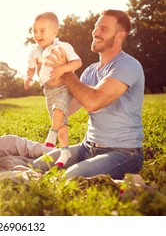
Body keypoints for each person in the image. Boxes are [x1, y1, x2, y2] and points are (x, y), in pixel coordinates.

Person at [32, 9, 145, 180]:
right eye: (96, 27)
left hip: (123, 153)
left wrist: (65, 72)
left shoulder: (127, 65)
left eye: (104, 29)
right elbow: (66, 110)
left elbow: (94, 102)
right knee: (38, 166)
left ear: (120, 35)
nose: (95, 32)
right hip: (87, 147)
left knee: (71, 177)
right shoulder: (90, 71)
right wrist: (49, 81)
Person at [25, 12, 82, 167]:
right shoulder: (35, 51)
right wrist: (28, 77)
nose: (37, 35)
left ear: (55, 32)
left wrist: (62, 68)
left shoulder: (62, 47)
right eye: (34, 31)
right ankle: (65, 151)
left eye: (42, 31)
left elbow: (77, 62)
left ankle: (51, 135)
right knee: (61, 123)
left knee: (59, 110)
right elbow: (30, 68)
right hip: (48, 91)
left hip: (63, 87)